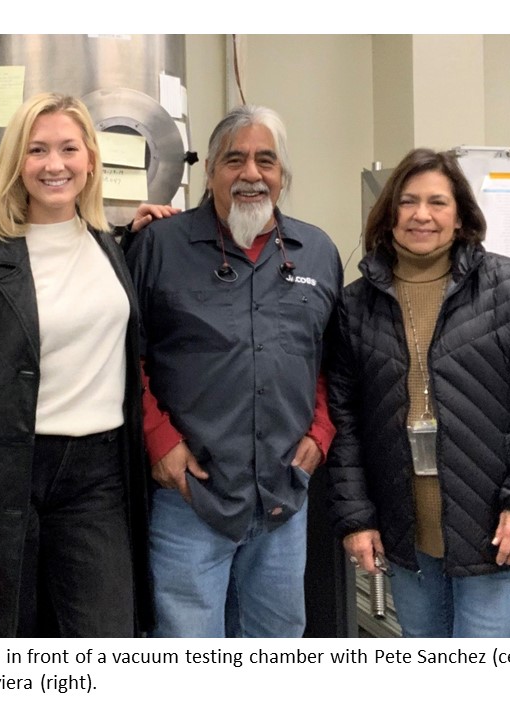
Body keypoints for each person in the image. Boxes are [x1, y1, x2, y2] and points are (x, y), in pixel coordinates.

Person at [0, 92, 169, 638]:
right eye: (37, 150)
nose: (54, 164)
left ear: (90, 160)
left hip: (99, 480)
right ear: (17, 162)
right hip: (8, 481)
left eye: (68, 149)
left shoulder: (111, 248)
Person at [326, 148, 510, 638]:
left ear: (461, 215)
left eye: (438, 202)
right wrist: (357, 518)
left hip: (494, 528)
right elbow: (346, 424)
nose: (422, 214)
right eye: (408, 201)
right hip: (407, 534)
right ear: (389, 213)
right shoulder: (356, 305)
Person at [124, 105, 343, 638]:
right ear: (210, 173)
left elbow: (332, 361)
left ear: (282, 175)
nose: (250, 174)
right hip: (188, 497)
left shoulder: (316, 251)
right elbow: (126, 357)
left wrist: (321, 429)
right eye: (234, 160)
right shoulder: (159, 245)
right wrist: (159, 441)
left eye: (265, 161)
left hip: (282, 499)